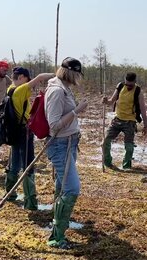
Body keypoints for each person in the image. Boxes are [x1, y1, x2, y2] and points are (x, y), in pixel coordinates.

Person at [45, 57, 88, 249]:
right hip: (60, 144)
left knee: (63, 186)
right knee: (72, 188)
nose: (79, 78)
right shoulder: (56, 91)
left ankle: (57, 224)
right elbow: (53, 127)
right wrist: (77, 111)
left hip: (70, 143)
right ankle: (57, 237)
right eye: (78, 74)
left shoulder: (64, 88)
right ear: (72, 73)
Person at [5, 67, 54, 209]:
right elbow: (39, 77)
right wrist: (55, 74)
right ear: (21, 77)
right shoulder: (19, 90)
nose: (29, 85)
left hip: (14, 131)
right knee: (28, 166)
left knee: (14, 163)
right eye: (27, 79)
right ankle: (30, 202)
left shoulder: (10, 89)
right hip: (23, 132)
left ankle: (10, 193)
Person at [102, 72, 147, 169]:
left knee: (129, 146)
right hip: (117, 119)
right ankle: (107, 162)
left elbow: (143, 110)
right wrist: (106, 101)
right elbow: (111, 101)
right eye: (126, 84)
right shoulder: (120, 86)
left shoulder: (138, 92)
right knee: (105, 141)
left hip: (129, 122)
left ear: (135, 82)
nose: (128, 86)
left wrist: (146, 125)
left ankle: (126, 166)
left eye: (130, 85)